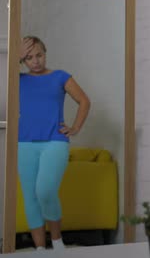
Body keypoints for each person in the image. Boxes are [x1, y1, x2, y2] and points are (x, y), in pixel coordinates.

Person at [18, 36, 91, 250]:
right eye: (29, 57)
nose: (35, 61)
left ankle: (57, 240)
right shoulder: (18, 79)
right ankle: (40, 249)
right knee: (30, 197)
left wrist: (75, 128)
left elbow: (84, 101)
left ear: (45, 53)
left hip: (54, 141)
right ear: (23, 60)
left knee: (45, 190)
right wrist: (14, 59)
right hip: (24, 143)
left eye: (39, 55)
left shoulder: (60, 77)